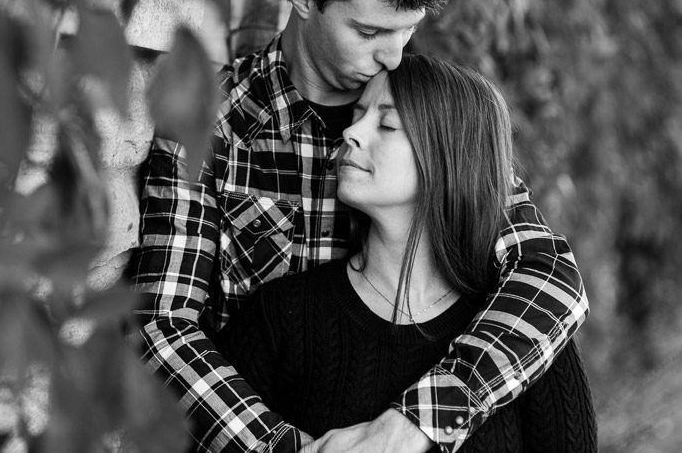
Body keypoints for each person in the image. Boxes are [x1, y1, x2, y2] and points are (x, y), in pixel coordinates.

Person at [127, 0, 589, 451]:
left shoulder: (426, 114)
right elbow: (163, 328)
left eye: (408, 30)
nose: (393, 55)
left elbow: (547, 271)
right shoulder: (208, 120)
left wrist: (422, 418)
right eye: (369, 30)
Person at [215, 55, 598, 452]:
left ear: (447, 155)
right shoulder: (281, 317)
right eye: (357, 114)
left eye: (386, 123)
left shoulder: (523, 333)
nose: (351, 132)